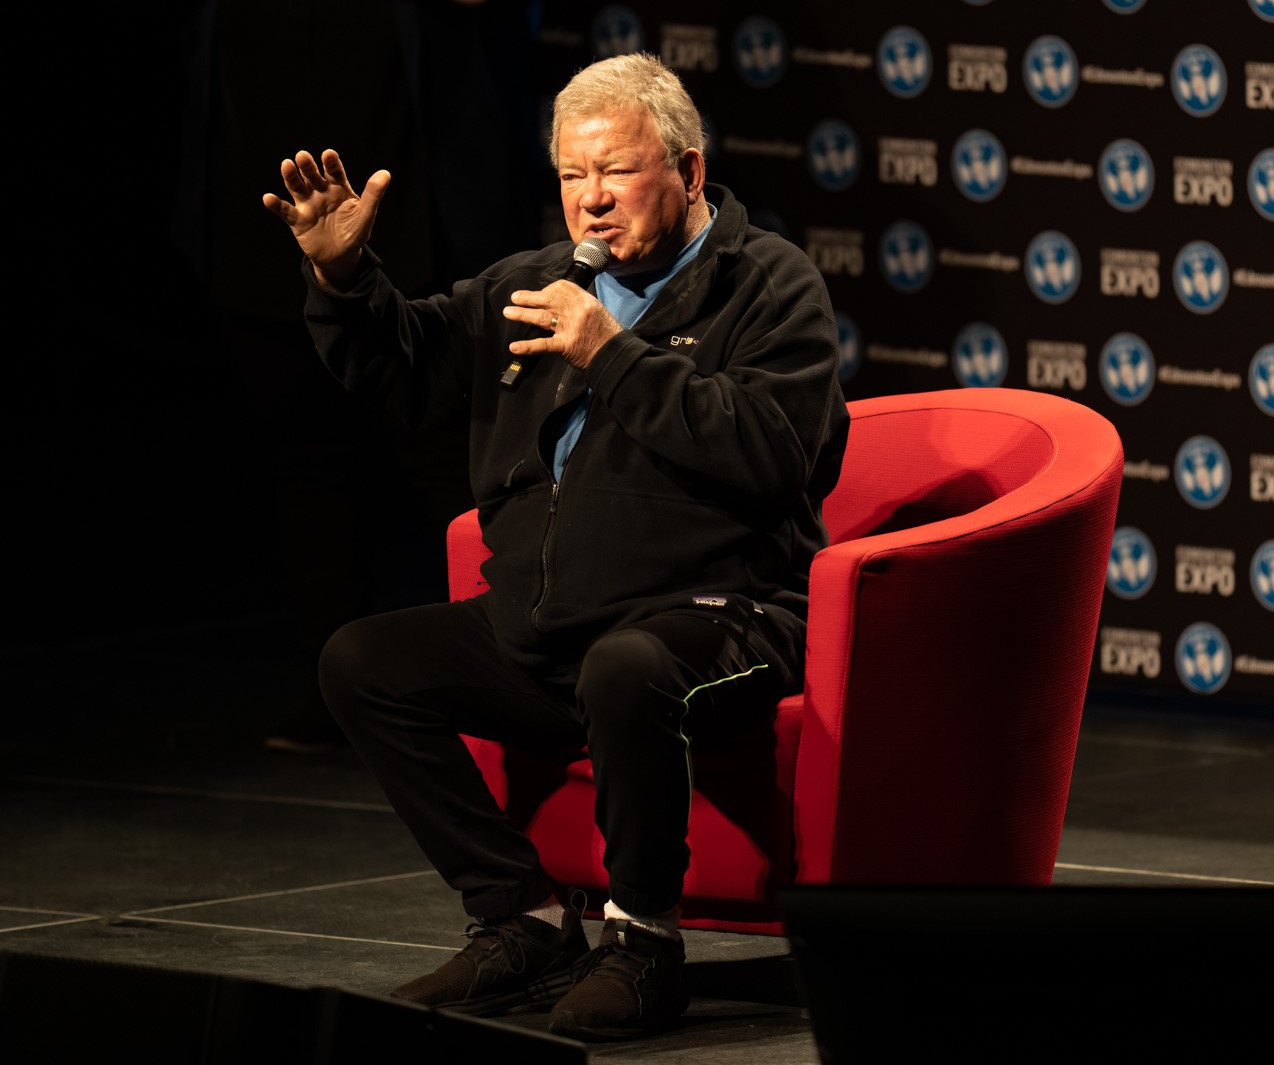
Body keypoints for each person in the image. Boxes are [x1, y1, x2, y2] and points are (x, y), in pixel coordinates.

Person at [263, 53, 850, 1039]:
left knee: (629, 668)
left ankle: (644, 947)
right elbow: (400, 368)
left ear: (691, 173)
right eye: (573, 177)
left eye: (616, 173)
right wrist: (343, 274)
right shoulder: (529, 287)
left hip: (721, 619)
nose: (592, 201)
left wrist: (610, 355)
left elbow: (774, 454)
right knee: (363, 661)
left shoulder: (767, 283)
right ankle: (520, 920)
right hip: (547, 626)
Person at [113, 0, 544, 748]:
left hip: (414, 247)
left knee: (444, 459)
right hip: (264, 240)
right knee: (305, 468)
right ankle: (334, 694)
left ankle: (505, 676)